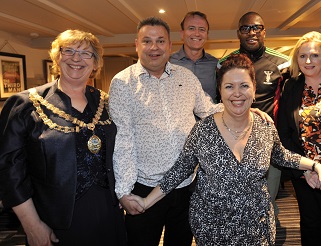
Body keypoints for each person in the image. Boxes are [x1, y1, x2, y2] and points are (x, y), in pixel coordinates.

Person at [128, 53, 321, 246]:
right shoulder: (203, 130)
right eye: (229, 86)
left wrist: (316, 166)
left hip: (257, 228)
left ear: (254, 89)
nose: (237, 94)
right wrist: (146, 201)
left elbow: (281, 155)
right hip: (212, 229)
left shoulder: (264, 126)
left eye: (244, 86)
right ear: (219, 91)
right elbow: (179, 171)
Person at [108, 17, 272, 246]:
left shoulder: (185, 77)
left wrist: (248, 111)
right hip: (146, 187)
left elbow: (209, 109)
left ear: (170, 45)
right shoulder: (122, 83)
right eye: (147, 41)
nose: (154, 47)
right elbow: (122, 140)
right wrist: (123, 192)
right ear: (137, 44)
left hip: (187, 184)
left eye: (160, 41)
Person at [0, 29, 127, 246]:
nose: (76, 58)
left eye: (86, 53)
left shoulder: (107, 103)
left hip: (108, 213)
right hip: (54, 220)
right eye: (69, 51)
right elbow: (9, 171)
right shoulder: (26, 104)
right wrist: (32, 225)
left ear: (95, 63)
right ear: (57, 57)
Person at [277, 31, 321, 245]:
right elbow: (285, 133)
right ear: (296, 59)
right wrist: (305, 171)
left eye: (315, 55)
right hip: (307, 175)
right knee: (310, 228)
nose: (308, 61)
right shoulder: (290, 87)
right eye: (302, 56)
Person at [218, 11, 290, 221]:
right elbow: (219, 100)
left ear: (264, 31)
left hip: (268, 143)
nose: (252, 32)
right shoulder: (225, 63)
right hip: (233, 143)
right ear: (238, 33)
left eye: (256, 27)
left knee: (267, 202)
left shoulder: (282, 63)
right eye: (246, 28)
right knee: (234, 203)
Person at [170, 11, 218, 102]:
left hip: (211, 116)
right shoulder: (168, 63)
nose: (197, 33)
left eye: (202, 29)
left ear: (207, 35)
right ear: (182, 33)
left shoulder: (216, 65)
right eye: (191, 28)